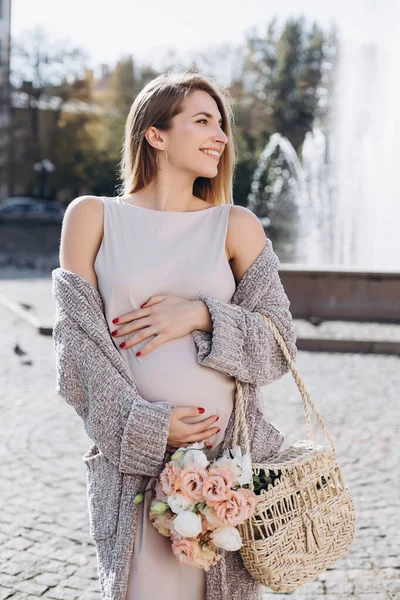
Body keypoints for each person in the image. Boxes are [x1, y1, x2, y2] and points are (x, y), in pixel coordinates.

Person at [56, 70, 296, 600]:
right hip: (134, 466)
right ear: (156, 134)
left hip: (226, 473)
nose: (221, 136)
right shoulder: (93, 218)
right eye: (203, 121)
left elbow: (280, 346)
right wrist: (149, 427)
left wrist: (201, 315)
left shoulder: (236, 226)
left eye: (222, 124)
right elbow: (76, 354)